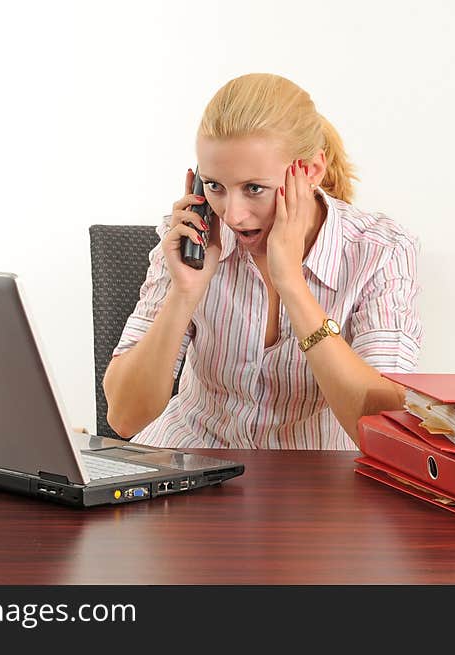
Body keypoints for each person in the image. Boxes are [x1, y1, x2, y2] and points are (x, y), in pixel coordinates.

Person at [103, 73, 423, 450]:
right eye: (215, 186)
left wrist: (291, 283)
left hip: (311, 483)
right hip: (190, 461)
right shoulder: (191, 241)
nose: (233, 215)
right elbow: (124, 418)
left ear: (311, 171)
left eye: (254, 189)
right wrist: (184, 294)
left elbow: (386, 433)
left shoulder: (381, 251)